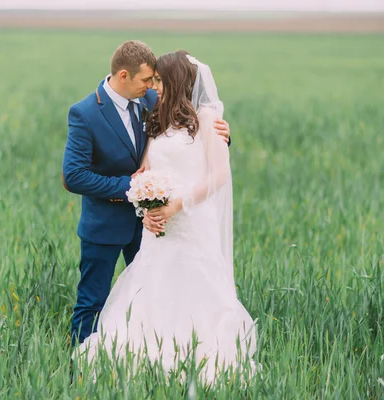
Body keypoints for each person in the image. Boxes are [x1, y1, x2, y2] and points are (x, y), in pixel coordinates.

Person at [74, 51, 257, 383]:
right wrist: (146, 208)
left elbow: (218, 176)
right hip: (156, 228)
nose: (152, 86)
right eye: (150, 79)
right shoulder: (155, 115)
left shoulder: (206, 117)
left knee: (195, 291)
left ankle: (194, 358)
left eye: (158, 80)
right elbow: (145, 171)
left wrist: (177, 205)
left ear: (175, 80)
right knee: (152, 289)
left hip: (191, 223)